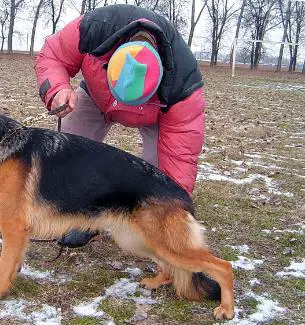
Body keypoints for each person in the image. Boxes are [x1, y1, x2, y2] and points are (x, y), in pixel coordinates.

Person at [34, 4, 205, 248]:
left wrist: (173, 225)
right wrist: (58, 88)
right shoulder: (93, 28)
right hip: (96, 97)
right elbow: (52, 55)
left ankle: (152, 223)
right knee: (70, 151)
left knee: (160, 179)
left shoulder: (182, 87)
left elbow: (180, 162)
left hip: (155, 114)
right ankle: (82, 217)